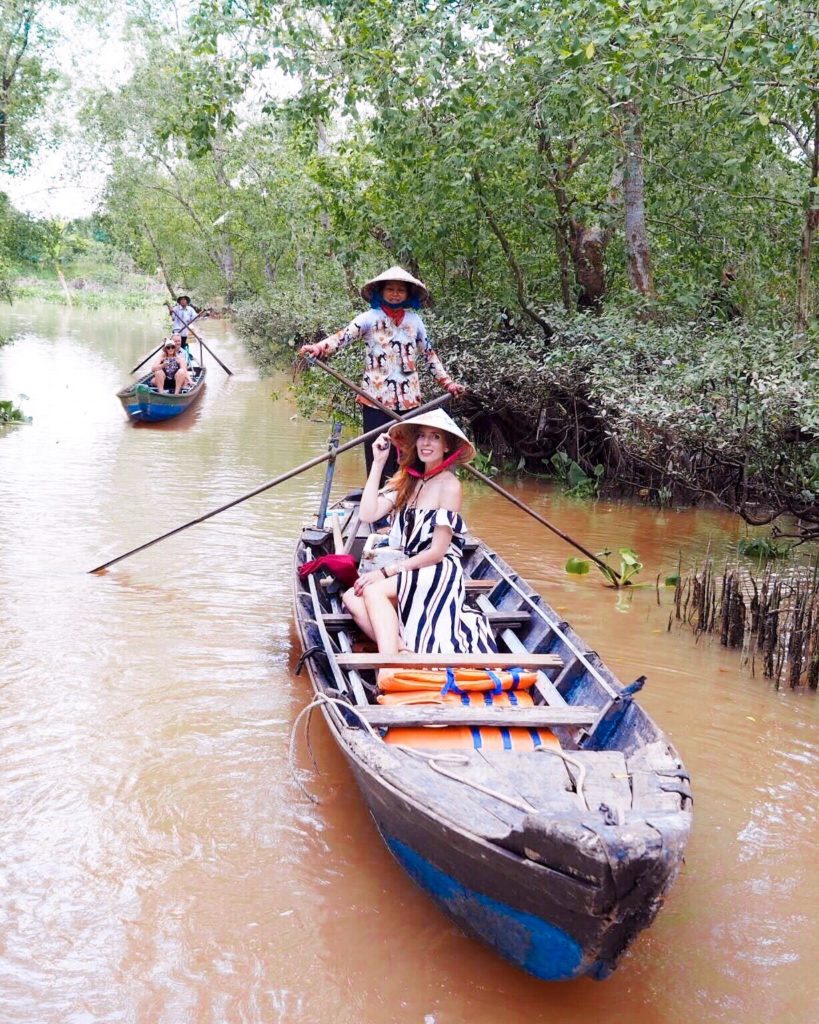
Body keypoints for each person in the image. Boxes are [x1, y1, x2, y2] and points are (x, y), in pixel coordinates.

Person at [342, 408, 495, 656]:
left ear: (446, 446)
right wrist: (378, 464)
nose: (426, 442)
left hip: (438, 571)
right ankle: (401, 650)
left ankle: (387, 665)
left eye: (435, 437)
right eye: (422, 436)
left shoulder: (450, 485)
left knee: (373, 590)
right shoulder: (408, 480)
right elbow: (368, 514)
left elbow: (437, 552)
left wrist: (384, 572)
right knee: (351, 597)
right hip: (411, 569)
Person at [298, 266, 465, 480]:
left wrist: (448, 383)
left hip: (409, 404)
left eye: (400, 290)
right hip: (374, 400)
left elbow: (429, 355)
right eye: (390, 289)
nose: (395, 294)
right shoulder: (368, 318)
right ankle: (376, 499)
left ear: (408, 295)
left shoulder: (415, 321)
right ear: (381, 291)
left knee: (407, 456)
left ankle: (404, 499)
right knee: (378, 452)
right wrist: (319, 348)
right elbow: (341, 338)